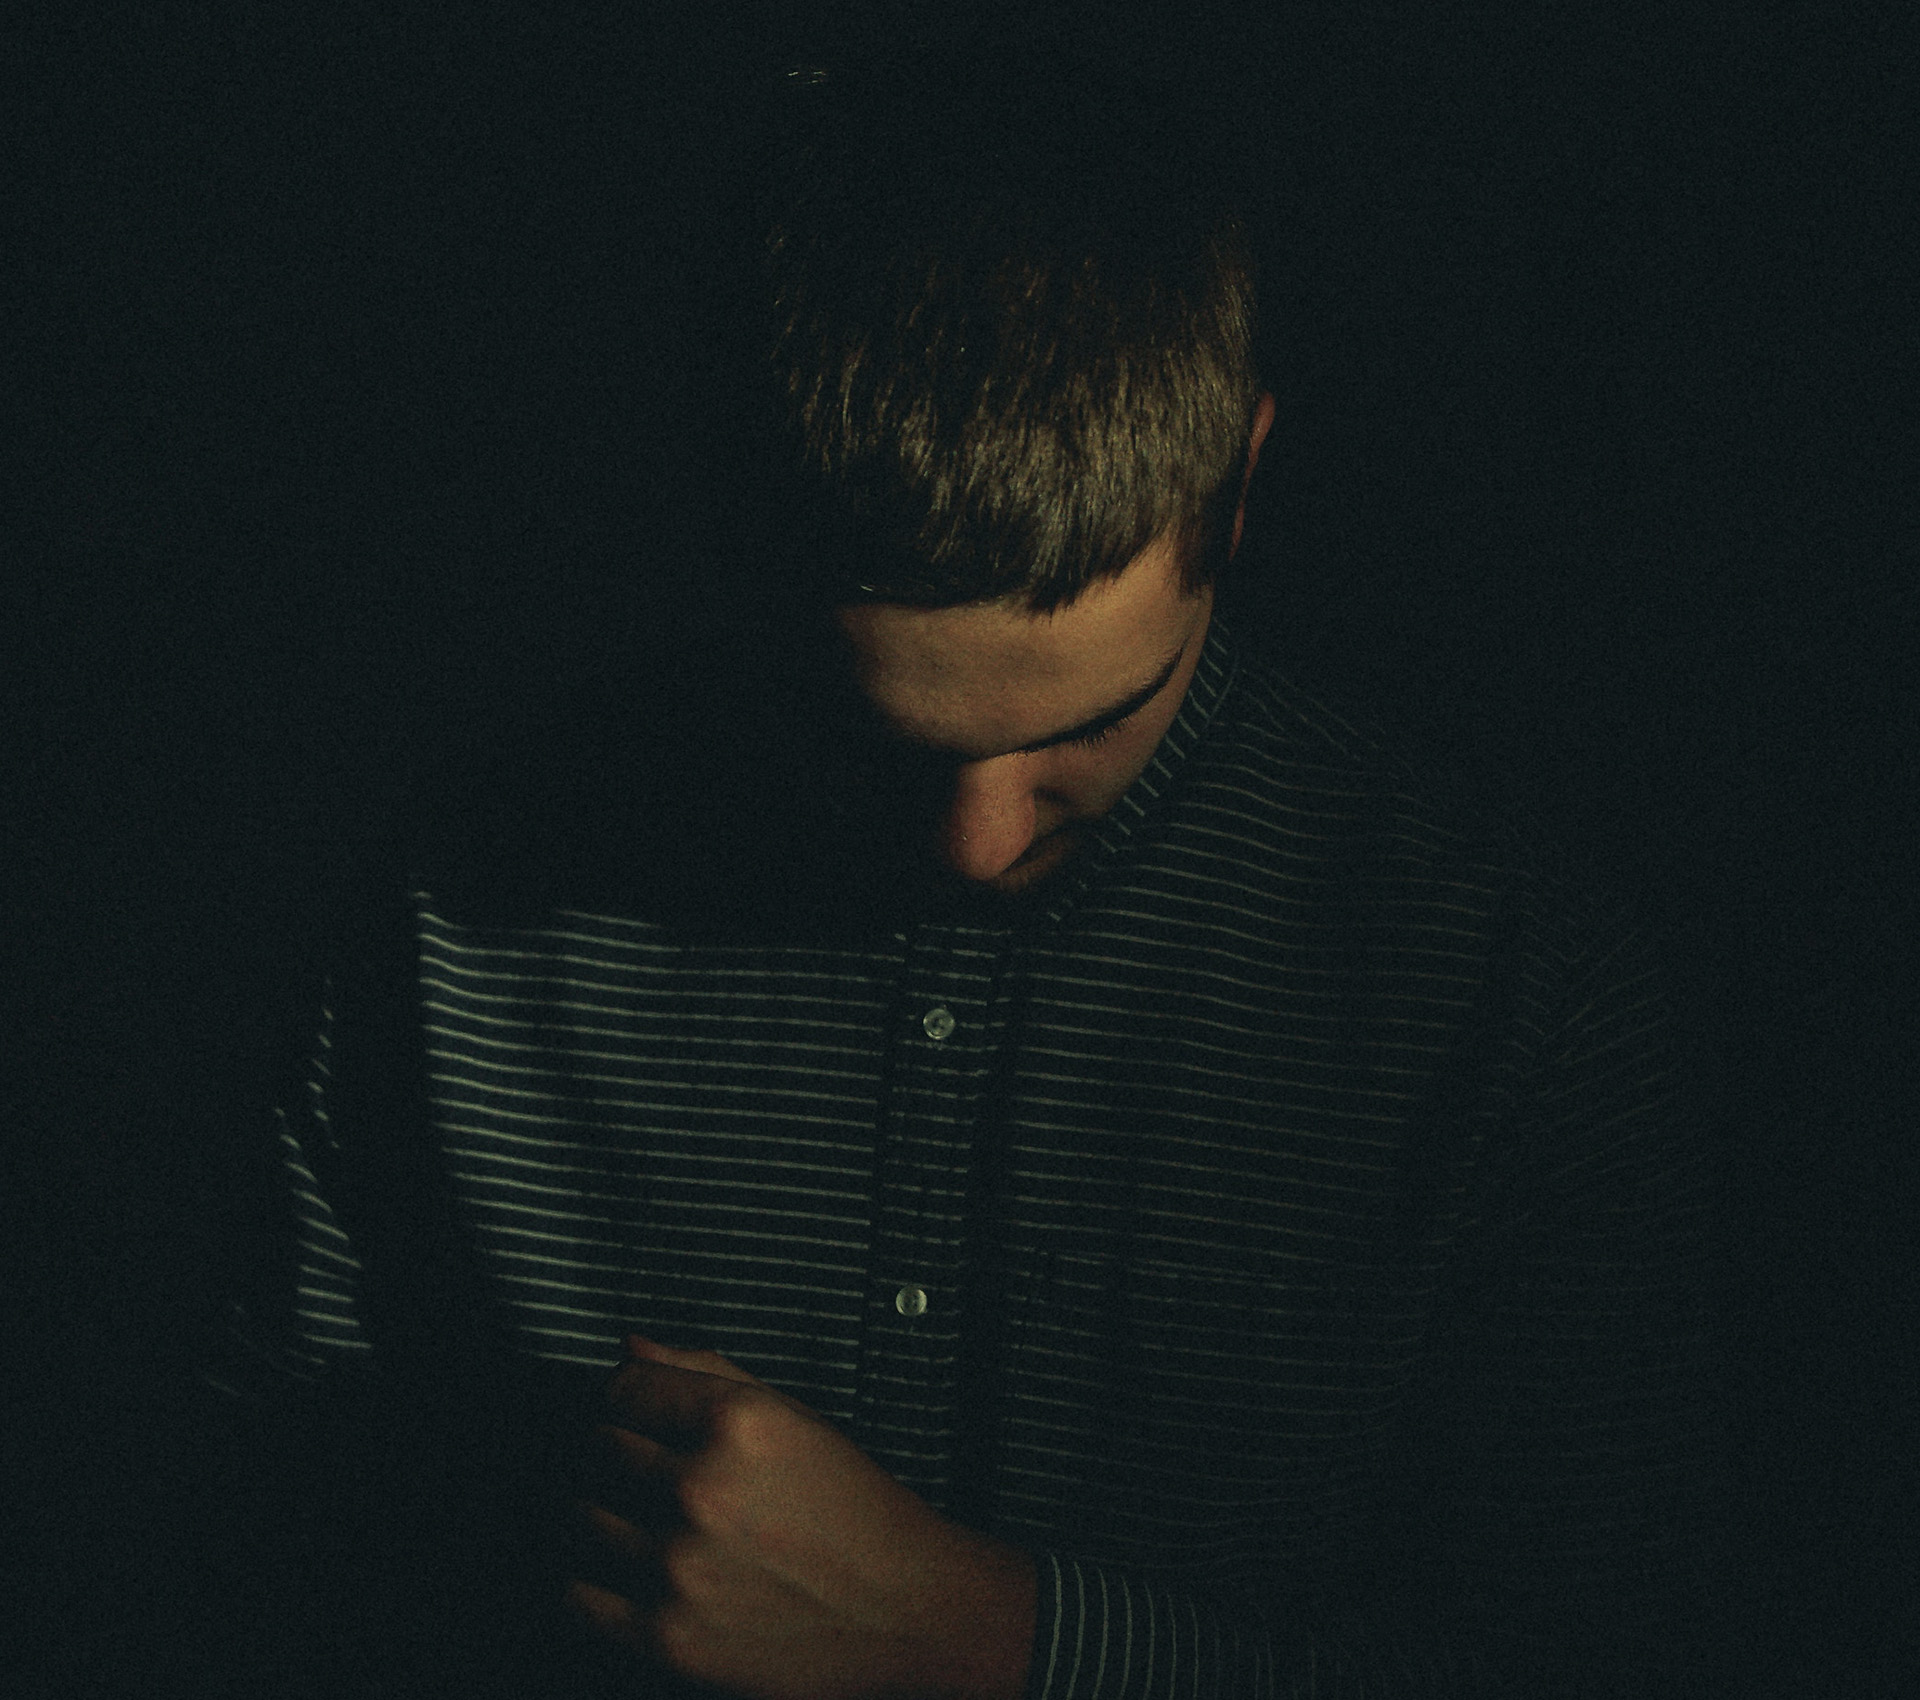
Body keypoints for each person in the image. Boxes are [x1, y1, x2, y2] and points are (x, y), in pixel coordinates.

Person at [194, 54, 1740, 1700]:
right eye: (873, 740)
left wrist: (992, 1642)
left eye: (1085, 728)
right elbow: (243, 1561)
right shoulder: (456, 919)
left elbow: (1626, 1659)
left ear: (1239, 486)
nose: (977, 842)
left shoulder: (1512, 995)